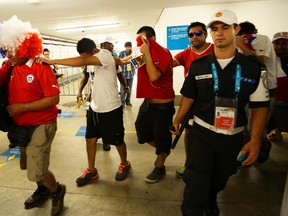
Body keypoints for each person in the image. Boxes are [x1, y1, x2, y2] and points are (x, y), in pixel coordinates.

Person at [171, 10, 270, 216]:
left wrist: (255, 139)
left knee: (220, 179)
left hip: (232, 138)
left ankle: (211, 198)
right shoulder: (199, 66)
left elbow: (260, 106)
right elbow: (189, 96)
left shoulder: (252, 67)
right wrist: (178, 118)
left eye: (225, 27)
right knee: (195, 183)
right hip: (202, 135)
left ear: (236, 29)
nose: (219, 33)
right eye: (214, 29)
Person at [38, 38, 131, 186]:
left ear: (93, 51)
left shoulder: (104, 55)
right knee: (90, 138)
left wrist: (51, 61)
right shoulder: (92, 60)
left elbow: (81, 61)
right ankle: (91, 170)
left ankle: (125, 163)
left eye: (84, 56)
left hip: (111, 107)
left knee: (117, 140)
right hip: (94, 108)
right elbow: (90, 73)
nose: (83, 60)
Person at [0, 16, 66, 215]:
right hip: (19, 126)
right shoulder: (9, 66)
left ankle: (57, 191)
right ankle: (42, 189)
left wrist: (23, 107)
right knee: (29, 164)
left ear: (26, 47)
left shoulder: (40, 67)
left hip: (42, 123)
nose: (9, 54)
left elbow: (54, 98)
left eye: (13, 49)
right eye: (6, 49)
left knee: (37, 167)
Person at [172, 21, 214, 178]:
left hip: (212, 102)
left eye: (198, 33)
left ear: (205, 34)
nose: (194, 37)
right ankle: (189, 163)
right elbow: (168, 64)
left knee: (210, 134)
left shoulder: (215, 50)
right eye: (191, 34)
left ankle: (210, 165)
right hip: (190, 100)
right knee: (188, 132)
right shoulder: (185, 53)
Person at [134, 26, 175, 183]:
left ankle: (160, 164)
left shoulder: (162, 52)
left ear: (152, 39)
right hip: (148, 102)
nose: (140, 43)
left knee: (162, 137)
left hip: (162, 105)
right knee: (141, 131)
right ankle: (163, 149)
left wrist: (147, 53)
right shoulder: (145, 53)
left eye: (143, 39)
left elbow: (154, 76)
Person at [236, 21, 277, 163]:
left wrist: (241, 44)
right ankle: (246, 151)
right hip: (245, 89)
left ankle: (263, 148)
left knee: (258, 130)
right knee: (243, 128)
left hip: (266, 89)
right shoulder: (236, 42)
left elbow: (260, 61)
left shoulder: (262, 39)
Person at [268, 32, 288, 140]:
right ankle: (277, 131)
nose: (280, 47)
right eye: (277, 44)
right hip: (275, 99)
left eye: (284, 44)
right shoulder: (270, 58)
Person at [119, 41, 136, 107]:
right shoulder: (122, 53)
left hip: (130, 74)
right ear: (125, 47)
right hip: (123, 74)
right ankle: (122, 102)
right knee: (122, 89)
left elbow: (136, 63)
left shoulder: (133, 54)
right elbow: (120, 62)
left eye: (129, 47)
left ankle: (128, 101)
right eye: (127, 47)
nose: (128, 48)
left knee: (129, 88)